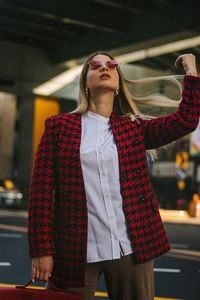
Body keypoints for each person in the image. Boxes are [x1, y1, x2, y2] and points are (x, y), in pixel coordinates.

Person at [28, 52, 200, 300]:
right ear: (85, 82)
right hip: (75, 250)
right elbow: (41, 193)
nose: (104, 68)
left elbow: (186, 121)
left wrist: (191, 72)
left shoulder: (133, 128)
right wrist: (41, 250)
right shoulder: (59, 127)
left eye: (111, 65)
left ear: (118, 82)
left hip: (132, 248)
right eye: (95, 66)